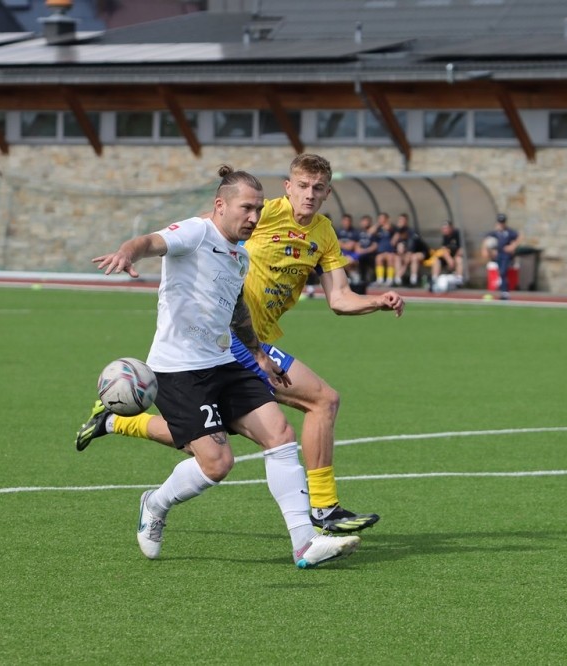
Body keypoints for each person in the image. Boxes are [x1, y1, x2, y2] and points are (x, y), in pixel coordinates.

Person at [78, 154, 405, 534]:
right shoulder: (260, 212)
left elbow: (340, 299)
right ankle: (322, 509)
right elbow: (205, 228)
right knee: (320, 401)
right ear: (288, 187)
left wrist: (376, 302)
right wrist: (133, 250)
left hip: (253, 339)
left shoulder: (324, 233)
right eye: (302, 186)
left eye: (318, 188)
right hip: (228, 338)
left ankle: (117, 421)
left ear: (328, 193)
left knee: (216, 434)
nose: (309, 194)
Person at [484, 213, 522, 300]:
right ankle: (502, 290)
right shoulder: (495, 232)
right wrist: (488, 250)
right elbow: (486, 240)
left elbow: (519, 236)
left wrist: (512, 246)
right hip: (498, 254)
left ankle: (505, 292)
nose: (501, 224)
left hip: (506, 255)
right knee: (500, 272)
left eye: (502, 222)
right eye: (500, 222)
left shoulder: (509, 232)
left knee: (503, 271)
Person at [391, 213, 429, 287]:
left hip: (422, 253)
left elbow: (409, 255)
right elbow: (393, 244)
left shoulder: (411, 236)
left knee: (413, 258)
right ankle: (398, 280)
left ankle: (413, 280)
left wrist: (403, 269)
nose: (400, 236)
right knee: (397, 258)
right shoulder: (399, 235)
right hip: (409, 254)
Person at [430, 220, 464, 288]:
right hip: (448, 259)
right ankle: (434, 280)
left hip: (456, 257)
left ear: (451, 228)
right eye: (443, 228)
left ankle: (459, 281)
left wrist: (454, 259)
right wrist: (449, 259)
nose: (444, 230)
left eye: (446, 228)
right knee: (436, 261)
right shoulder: (445, 236)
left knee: (459, 260)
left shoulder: (457, 234)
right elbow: (444, 249)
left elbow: (461, 250)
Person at [335, 213, 363, 285]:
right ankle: (347, 277)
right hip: (340, 254)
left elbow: (357, 247)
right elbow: (336, 243)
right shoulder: (337, 231)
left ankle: (352, 276)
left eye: (348, 221)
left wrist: (345, 245)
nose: (347, 222)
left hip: (352, 254)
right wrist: (346, 245)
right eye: (345, 221)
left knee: (349, 261)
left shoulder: (355, 232)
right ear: (342, 221)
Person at [372, 212, 399, 285]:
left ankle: (390, 279)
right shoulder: (378, 229)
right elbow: (370, 232)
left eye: (382, 218)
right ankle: (380, 279)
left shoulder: (392, 228)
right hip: (381, 252)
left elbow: (394, 232)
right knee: (378, 258)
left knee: (390, 258)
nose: (380, 220)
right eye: (379, 218)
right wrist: (377, 225)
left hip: (390, 251)